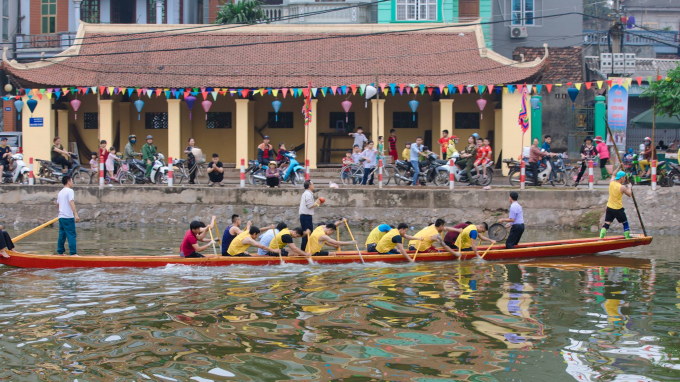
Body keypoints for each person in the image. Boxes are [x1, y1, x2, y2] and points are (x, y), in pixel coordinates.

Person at [600, 170, 633, 239]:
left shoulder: (611, 183)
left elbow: (613, 174)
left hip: (609, 207)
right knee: (625, 223)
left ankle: (601, 238)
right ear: (621, 178)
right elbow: (629, 194)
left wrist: (618, 167)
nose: (624, 179)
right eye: (624, 177)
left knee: (607, 224)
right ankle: (627, 237)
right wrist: (629, 187)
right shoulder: (622, 187)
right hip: (617, 209)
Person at [56, 175, 79, 256]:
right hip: (68, 217)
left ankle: (60, 252)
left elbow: (58, 205)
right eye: (72, 181)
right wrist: (75, 214)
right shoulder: (70, 191)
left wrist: (61, 211)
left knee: (62, 235)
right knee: (71, 235)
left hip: (61, 217)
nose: (72, 183)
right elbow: (71, 202)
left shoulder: (60, 192)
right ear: (68, 182)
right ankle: (73, 253)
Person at [299, 180, 321, 251]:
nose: (313, 186)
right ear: (309, 186)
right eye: (313, 184)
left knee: (308, 234)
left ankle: (306, 250)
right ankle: (303, 251)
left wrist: (317, 202)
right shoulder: (308, 194)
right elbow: (310, 206)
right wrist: (317, 203)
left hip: (306, 216)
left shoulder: (307, 193)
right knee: (307, 234)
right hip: (306, 216)